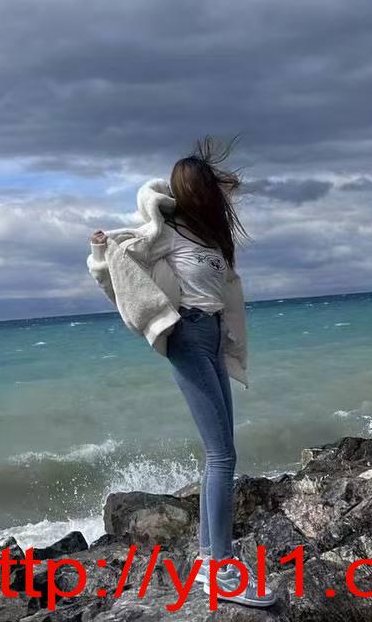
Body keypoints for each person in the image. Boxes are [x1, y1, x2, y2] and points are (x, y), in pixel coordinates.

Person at [88, 135, 277, 608]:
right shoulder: (166, 232)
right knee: (222, 455)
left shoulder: (209, 234)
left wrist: (211, 178)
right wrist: (101, 250)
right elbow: (121, 258)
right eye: (202, 186)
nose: (212, 193)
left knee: (222, 453)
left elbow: (230, 188)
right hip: (188, 334)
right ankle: (219, 570)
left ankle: (211, 560)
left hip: (212, 336)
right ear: (191, 191)